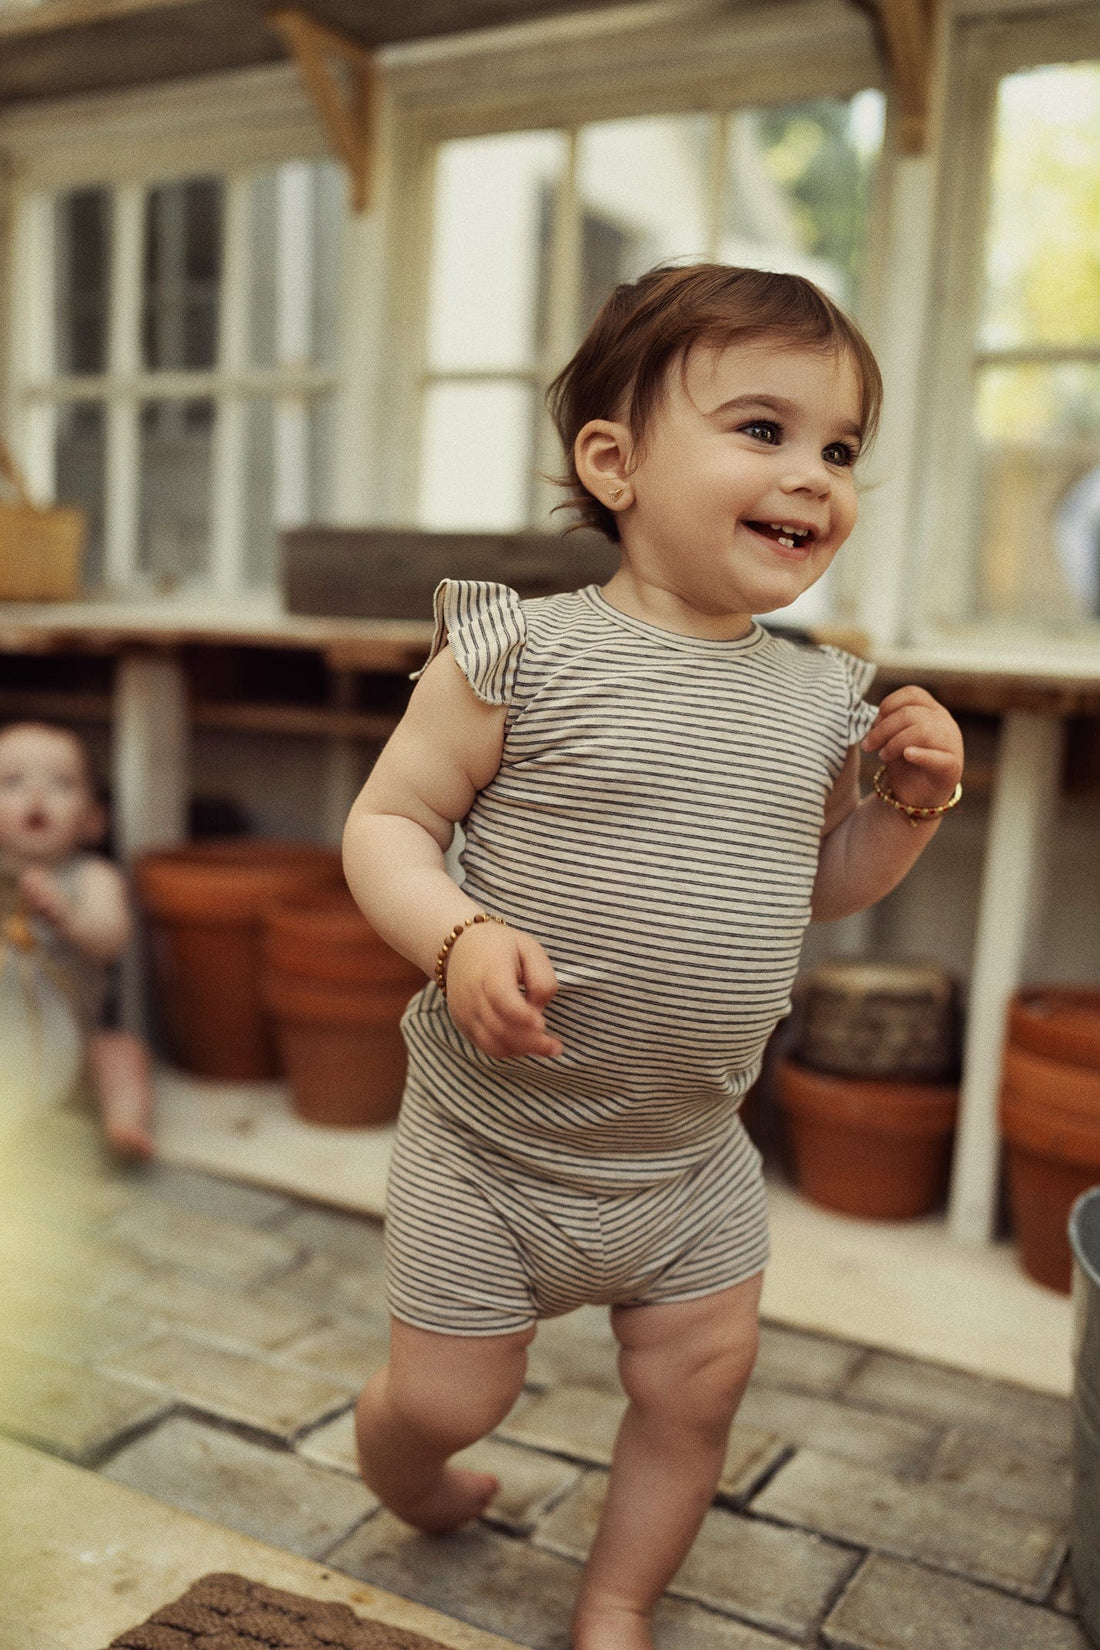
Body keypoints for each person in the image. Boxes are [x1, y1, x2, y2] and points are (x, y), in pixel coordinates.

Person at [342, 263, 964, 1650]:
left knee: (696, 1391)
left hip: (689, 1164)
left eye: (842, 447)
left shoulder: (817, 694)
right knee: (451, 1397)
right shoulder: (520, 652)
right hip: (488, 1153)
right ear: (614, 463)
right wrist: (458, 934)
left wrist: (909, 806)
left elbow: (821, 889)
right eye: (763, 430)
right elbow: (386, 822)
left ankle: (617, 1600)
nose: (812, 476)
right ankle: (402, 1458)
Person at [0, 720, 155, 1158]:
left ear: (93, 820)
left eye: (60, 783)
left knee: (122, 1051)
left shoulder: (92, 877)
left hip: (75, 1042)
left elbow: (111, 940)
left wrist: (68, 916)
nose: (36, 797)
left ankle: (124, 1121)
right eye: (12, 782)